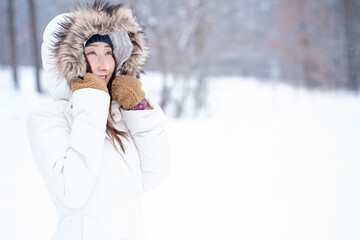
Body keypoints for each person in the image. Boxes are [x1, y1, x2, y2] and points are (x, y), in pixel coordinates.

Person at [27, 1, 170, 240]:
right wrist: (91, 100)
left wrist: (138, 108)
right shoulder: (46, 118)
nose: (103, 64)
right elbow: (72, 192)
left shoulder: (118, 114)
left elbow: (154, 175)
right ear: (69, 60)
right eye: (91, 52)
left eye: (109, 52)